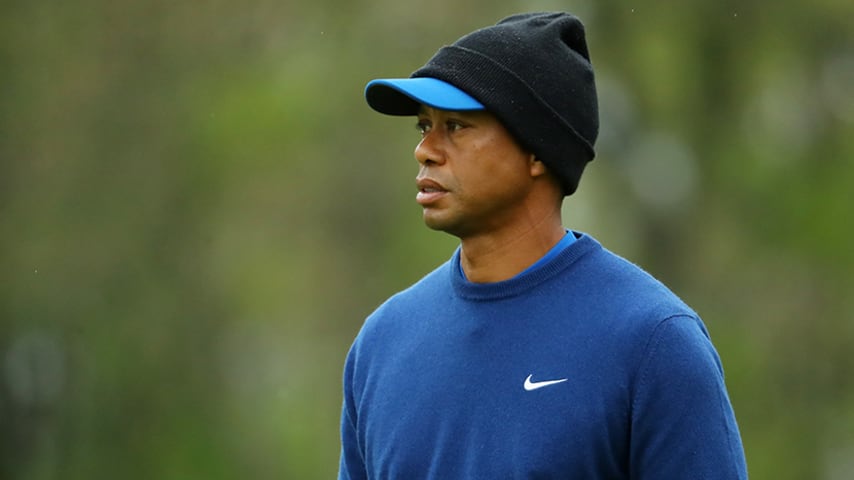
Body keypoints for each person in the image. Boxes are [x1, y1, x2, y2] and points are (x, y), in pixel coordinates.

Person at [339, 11, 748, 479]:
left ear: (536, 150)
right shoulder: (382, 342)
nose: (425, 149)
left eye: (455, 126)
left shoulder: (654, 342)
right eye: (423, 126)